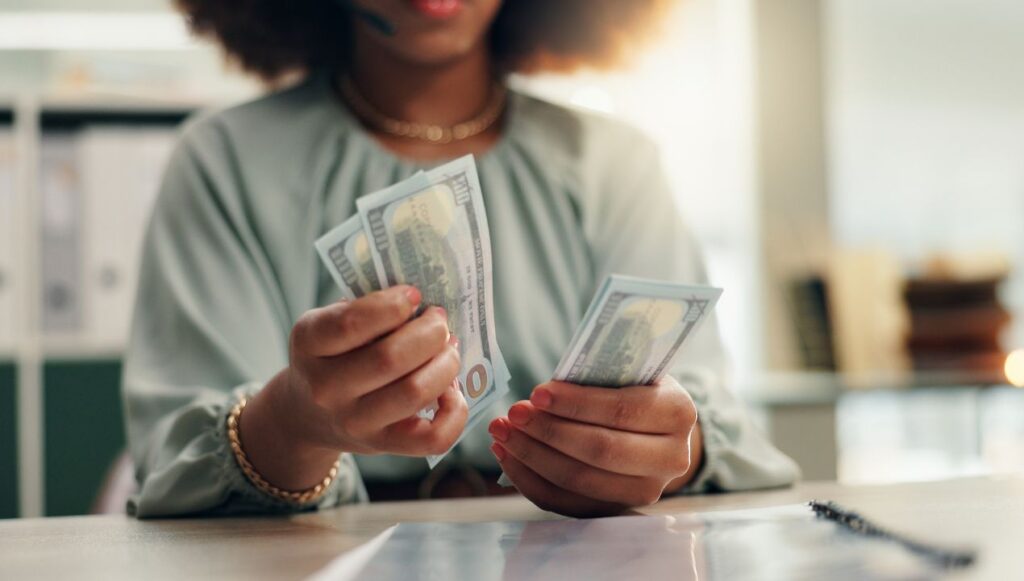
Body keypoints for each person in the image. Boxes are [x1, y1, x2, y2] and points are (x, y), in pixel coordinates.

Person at [122, 0, 799, 518]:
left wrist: (671, 452)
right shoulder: (222, 162)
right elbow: (175, 461)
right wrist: (291, 426)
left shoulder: (616, 165)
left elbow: (711, 414)